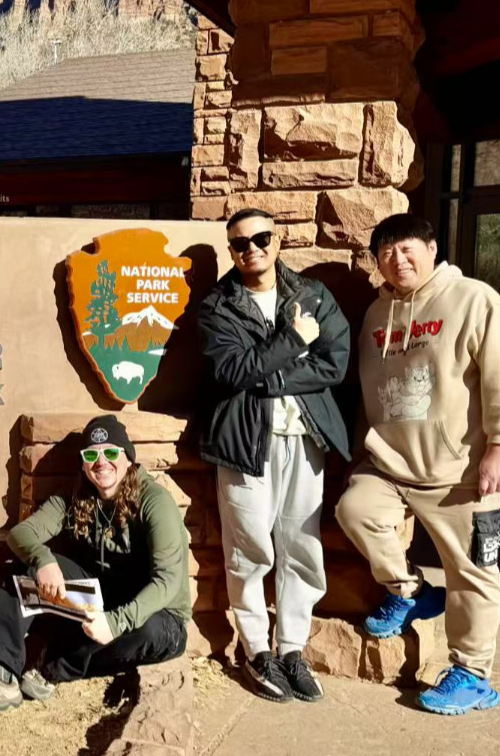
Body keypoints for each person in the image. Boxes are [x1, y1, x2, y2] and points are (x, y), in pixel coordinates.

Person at [335, 213, 500, 716]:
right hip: (390, 463)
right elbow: (368, 392)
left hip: (461, 471)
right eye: (386, 253)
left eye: (407, 248)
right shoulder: (377, 314)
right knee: (354, 510)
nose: (397, 260)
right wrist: (361, 448)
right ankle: (411, 591)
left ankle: (473, 673)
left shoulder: (474, 300)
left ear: (432, 247)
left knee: (473, 571)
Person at [198, 208, 351, 704]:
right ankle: (257, 649)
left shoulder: (312, 295)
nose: (252, 249)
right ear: (231, 251)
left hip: (304, 440)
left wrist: (276, 375)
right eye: (241, 243)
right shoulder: (217, 307)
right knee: (250, 549)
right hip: (245, 443)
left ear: (277, 240)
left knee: (301, 545)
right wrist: (292, 342)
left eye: (261, 238)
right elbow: (231, 371)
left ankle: (292, 650)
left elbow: (334, 362)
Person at [0, 415, 190, 717]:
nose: (101, 463)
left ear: (128, 459)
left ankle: (53, 669)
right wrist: (43, 560)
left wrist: (115, 622)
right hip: (101, 598)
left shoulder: (154, 502)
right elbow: (22, 534)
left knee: (146, 630)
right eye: (91, 455)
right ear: (83, 464)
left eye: (111, 453)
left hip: (156, 614)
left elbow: (167, 581)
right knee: (27, 572)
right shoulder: (78, 496)